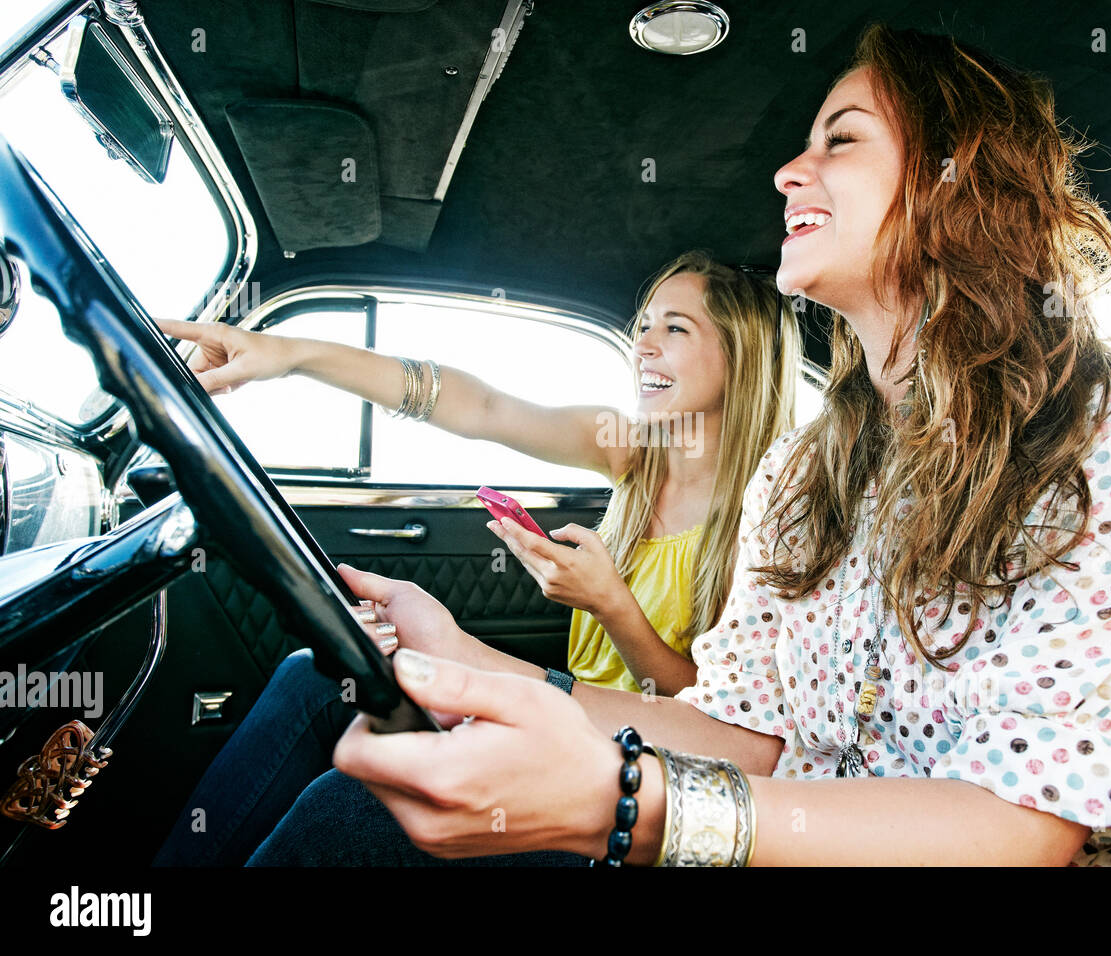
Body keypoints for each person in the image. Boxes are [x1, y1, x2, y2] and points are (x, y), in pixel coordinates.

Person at [250, 22, 1111, 867]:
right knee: (329, 701)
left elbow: (1019, 829)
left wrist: (625, 805)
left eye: (840, 140)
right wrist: (465, 660)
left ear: (958, 180)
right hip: (770, 840)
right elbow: (745, 734)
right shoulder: (810, 470)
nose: (789, 172)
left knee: (356, 824)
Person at [150, 252, 803, 866]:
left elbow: (720, 730)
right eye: (643, 326)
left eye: (676, 328)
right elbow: (476, 405)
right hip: (561, 727)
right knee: (313, 675)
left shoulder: (770, 517)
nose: (645, 345)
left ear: (740, 355)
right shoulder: (629, 453)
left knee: (346, 807)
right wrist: (289, 355)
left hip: (641, 780)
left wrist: (612, 606)